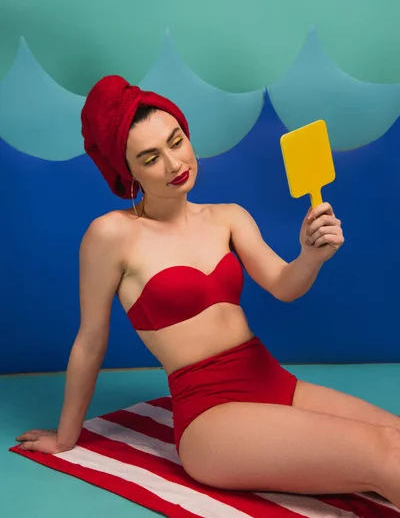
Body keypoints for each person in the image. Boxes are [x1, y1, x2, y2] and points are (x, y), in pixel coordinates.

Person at [16, 76, 400, 506]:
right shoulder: (111, 234)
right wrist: (67, 437)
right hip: (209, 414)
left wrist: (310, 257)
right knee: (386, 457)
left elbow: (284, 286)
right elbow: (90, 340)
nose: (174, 163)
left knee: (397, 440)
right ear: (130, 173)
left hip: (272, 380)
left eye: (176, 141)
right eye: (150, 158)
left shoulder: (228, 217)